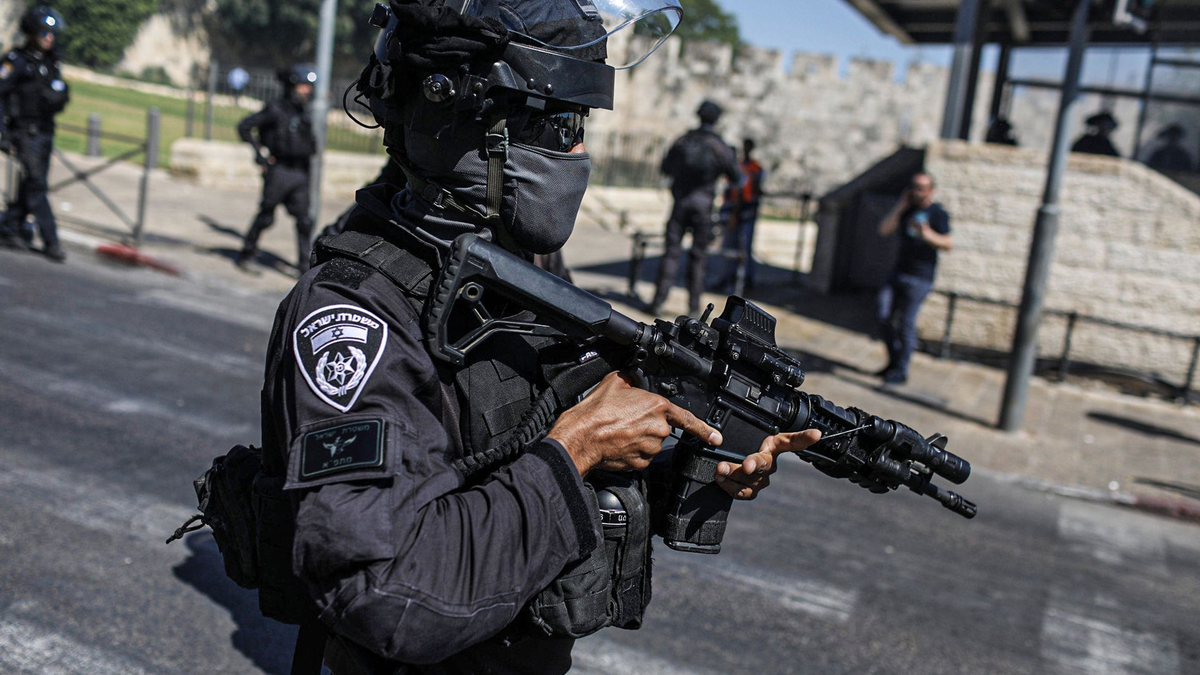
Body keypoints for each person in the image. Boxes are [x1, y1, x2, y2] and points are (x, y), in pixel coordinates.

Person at [255, 1, 821, 673]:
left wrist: (684, 468)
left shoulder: (523, 269)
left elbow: (516, 451)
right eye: (559, 126)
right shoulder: (354, 312)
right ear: (470, 127)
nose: (579, 152)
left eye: (580, 125)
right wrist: (580, 445)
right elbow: (385, 594)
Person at [648, 99, 740, 316]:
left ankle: (658, 302)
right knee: (699, 257)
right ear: (717, 120)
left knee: (671, 254)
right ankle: (694, 308)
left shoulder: (683, 141)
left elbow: (665, 167)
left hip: (680, 203)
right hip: (703, 207)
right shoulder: (719, 147)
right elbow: (736, 176)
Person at [0, 5, 69, 261]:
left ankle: (11, 225)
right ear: (31, 33)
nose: (49, 38)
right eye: (43, 33)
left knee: (31, 184)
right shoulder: (16, 61)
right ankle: (52, 241)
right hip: (24, 133)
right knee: (37, 185)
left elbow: (58, 95)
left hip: (45, 132)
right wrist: (3, 133)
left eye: (52, 34)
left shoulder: (51, 62)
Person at [235, 63, 317, 275]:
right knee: (266, 216)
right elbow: (244, 127)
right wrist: (260, 154)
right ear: (292, 86)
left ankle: (304, 266)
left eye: (308, 86)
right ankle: (246, 254)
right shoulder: (275, 110)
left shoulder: (304, 113)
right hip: (279, 171)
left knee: (304, 221)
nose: (307, 90)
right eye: (303, 85)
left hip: (299, 173)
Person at [875, 172, 953, 386]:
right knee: (883, 315)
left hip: (920, 277)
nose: (916, 191)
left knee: (906, 324)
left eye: (921, 187)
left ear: (930, 190)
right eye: (913, 186)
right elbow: (884, 229)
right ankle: (893, 361)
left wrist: (926, 234)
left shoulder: (938, 213)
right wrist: (900, 206)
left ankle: (901, 370)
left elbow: (948, 243)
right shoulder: (906, 209)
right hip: (898, 272)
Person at [712, 137, 766, 293]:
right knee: (729, 246)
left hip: (745, 213)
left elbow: (747, 193)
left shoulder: (755, 168)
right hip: (733, 212)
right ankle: (727, 278)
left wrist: (736, 213)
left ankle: (743, 280)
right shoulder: (737, 167)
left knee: (743, 248)